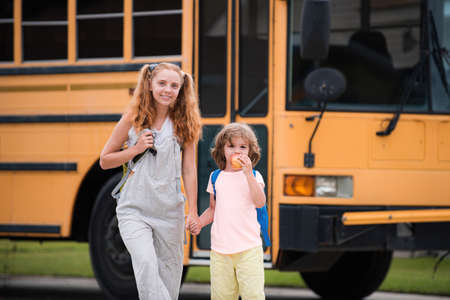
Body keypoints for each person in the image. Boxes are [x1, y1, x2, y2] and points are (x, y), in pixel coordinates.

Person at [99, 62, 202, 300]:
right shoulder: (133, 118)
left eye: (174, 85)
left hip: (170, 212)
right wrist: (135, 149)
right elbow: (105, 160)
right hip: (134, 209)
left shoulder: (185, 124)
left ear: (181, 89)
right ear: (150, 84)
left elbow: (189, 169)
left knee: (169, 279)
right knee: (146, 265)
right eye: (162, 83)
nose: (168, 90)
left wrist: (193, 210)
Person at [191, 122, 266, 300]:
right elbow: (212, 209)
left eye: (243, 147)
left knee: (253, 295)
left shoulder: (254, 176)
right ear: (222, 149)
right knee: (222, 296)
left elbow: (260, 202)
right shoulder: (216, 177)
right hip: (220, 251)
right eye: (231, 146)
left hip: (248, 249)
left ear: (250, 151)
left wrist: (248, 174)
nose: (237, 151)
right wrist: (199, 223)